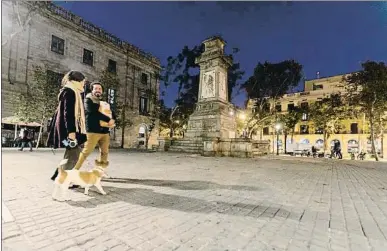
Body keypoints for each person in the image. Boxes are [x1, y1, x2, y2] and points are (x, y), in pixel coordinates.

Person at [46, 71, 87, 184]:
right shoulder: (70, 92)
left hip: (65, 130)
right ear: (78, 80)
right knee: (73, 155)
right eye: (83, 81)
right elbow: (68, 114)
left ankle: (58, 176)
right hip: (69, 131)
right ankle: (65, 180)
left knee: (70, 154)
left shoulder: (70, 91)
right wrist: (71, 133)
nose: (84, 84)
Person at [73, 81, 115, 171]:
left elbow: (111, 113)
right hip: (92, 131)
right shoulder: (88, 100)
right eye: (96, 88)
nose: (98, 90)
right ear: (92, 90)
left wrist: (113, 120)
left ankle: (100, 171)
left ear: (102, 91)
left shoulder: (103, 102)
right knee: (86, 152)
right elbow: (93, 113)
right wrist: (108, 120)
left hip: (104, 131)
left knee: (104, 152)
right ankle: (74, 171)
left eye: (100, 89)